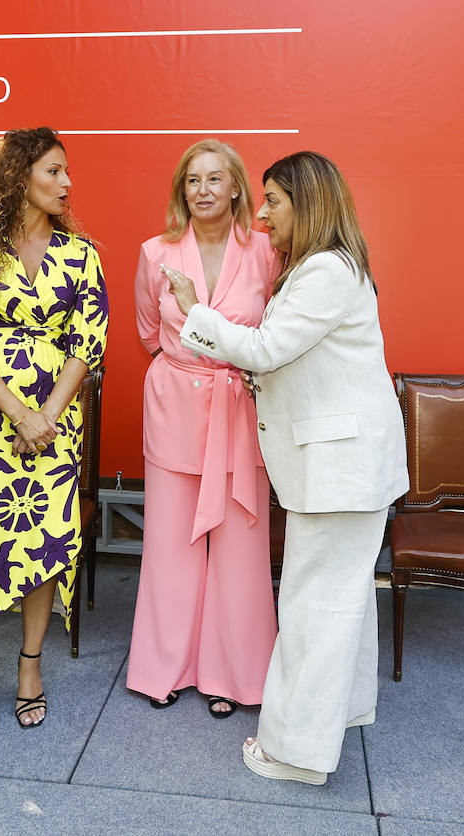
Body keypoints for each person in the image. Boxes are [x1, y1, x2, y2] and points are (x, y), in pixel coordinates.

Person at [161, 150, 408, 787]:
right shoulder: (322, 267)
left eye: (273, 200)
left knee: (313, 607)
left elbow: (268, 350)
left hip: (338, 470)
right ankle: (339, 715)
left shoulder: (326, 270)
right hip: (340, 468)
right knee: (341, 601)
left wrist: (194, 310)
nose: (262, 212)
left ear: (309, 202)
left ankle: (295, 752)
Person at [0, 127, 108, 731]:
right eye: (54, 171)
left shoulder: (81, 253)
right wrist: (19, 413)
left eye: (67, 171)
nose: (67, 183)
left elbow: (87, 343)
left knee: (46, 544)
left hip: (57, 422)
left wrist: (48, 416)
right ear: (19, 176)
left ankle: (31, 665)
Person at [127, 139, 279, 718]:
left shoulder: (266, 251)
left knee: (240, 546)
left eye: (216, 179)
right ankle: (163, 669)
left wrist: (225, 366)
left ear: (237, 188)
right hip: (175, 409)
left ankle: (233, 676)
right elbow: (148, 331)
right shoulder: (154, 251)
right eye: (192, 180)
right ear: (180, 190)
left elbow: (274, 335)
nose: (204, 190)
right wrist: (191, 366)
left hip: (240, 407)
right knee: (171, 543)